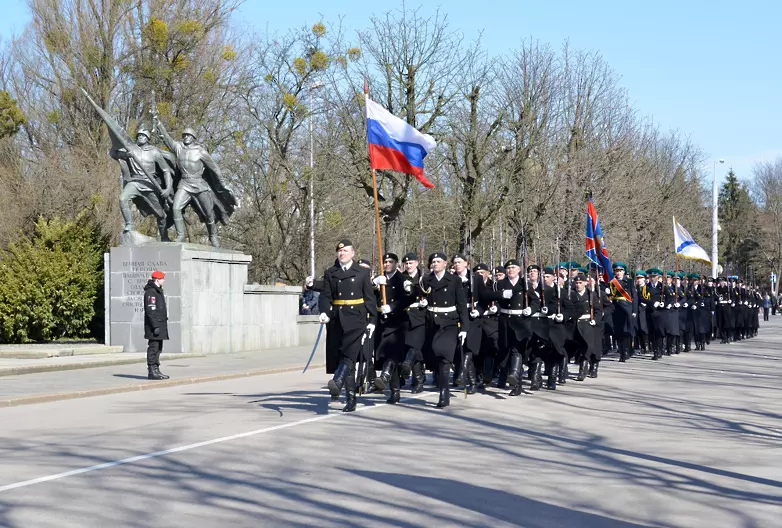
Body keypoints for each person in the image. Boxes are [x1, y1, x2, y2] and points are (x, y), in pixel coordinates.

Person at [318, 239, 378, 412]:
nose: (342, 253)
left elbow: (369, 298)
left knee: (349, 354)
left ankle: (337, 380)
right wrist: (324, 311)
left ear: (353, 253)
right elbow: (325, 295)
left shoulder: (361, 273)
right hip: (337, 318)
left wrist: (372, 320)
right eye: (339, 251)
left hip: (356, 318)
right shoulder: (331, 272)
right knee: (344, 355)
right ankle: (350, 398)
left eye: (345, 251)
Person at [420, 252, 470, 408]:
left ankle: (444, 392)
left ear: (445, 264)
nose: (434, 263)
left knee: (444, 355)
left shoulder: (454, 280)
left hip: (449, 322)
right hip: (432, 321)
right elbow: (418, 295)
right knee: (435, 356)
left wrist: (465, 327)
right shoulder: (426, 280)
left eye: (438, 261)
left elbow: (461, 304)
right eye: (432, 261)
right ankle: (443, 385)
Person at [110, 127, 173, 239]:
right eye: (139, 135)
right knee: (123, 199)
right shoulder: (131, 149)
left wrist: (168, 188)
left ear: (148, 138)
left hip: (149, 185)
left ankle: (164, 237)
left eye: (143, 136)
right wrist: (125, 155)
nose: (141, 137)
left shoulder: (154, 152)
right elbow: (113, 153)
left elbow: (166, 170)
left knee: (160, 214)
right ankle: (129, 224)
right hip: (135, 182)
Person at [144, 270, 170, 380]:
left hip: (160, 325)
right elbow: (150, 311)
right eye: (162, 278)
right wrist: (155, 326)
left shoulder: (158, 291)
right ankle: (151, 371)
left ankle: (156, 370)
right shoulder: (151, 292)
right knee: (153, 348)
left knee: (159, 348)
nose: (164, 280)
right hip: (154, 327)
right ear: (157, 280)